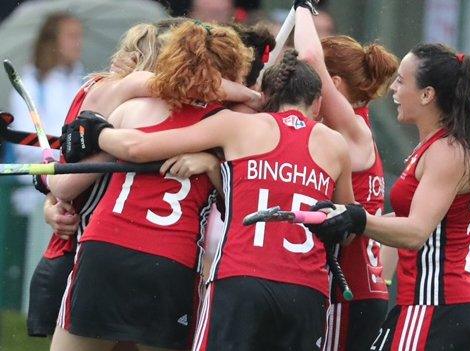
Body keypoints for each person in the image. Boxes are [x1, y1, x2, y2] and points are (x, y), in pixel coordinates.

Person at [62, 48, 355, 351]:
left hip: (240, 279)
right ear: (318, 103)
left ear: (265, 97)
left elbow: (140, 146)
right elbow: (346, 228)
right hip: (306, 289)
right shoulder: (335, 145)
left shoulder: (237, 125)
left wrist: (96, 134)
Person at [52, 20, 253, 351]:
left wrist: (51, 190)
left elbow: (66, 187)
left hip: (106, 250)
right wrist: (215, 165)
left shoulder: (132, 108)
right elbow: (244, 199)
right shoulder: (233, 127)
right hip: (171, 262)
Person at [308, 44, 470, 350]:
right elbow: (427, 223)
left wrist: (357, 218)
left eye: (401, 81)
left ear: (427, 95)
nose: (394, 88)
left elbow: (416, 232)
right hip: (439, 307)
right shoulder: (437, 146)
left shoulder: (447, 151)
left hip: (435, 306)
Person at [26, 20, 184, 340]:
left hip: (110, 257)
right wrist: (51, 202)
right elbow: (62, 179)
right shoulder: (99, 90)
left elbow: (63, 181)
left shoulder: (113, 93)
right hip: (82, 254)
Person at [294, 4, 398, 350]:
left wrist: (302, 10)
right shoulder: (349, 128)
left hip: (349, 291)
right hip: (357, 289)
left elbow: (309, 56)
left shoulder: (354, 129)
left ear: (333, 84)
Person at [6, 13, 84, 316]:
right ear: (53, 41)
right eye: (71, 36)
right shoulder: (32, 81)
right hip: (37, 184)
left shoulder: (81, 80)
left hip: (71, 176)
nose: (78, 43)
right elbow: (26, 141)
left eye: (79, 36)